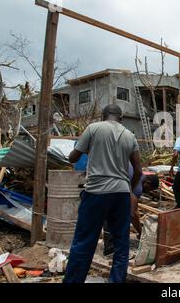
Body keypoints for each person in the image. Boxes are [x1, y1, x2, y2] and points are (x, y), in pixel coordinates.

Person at [63, 104, 142, 283]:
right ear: (121, 118)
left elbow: (73, 157)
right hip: (121, 193)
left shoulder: (93, 128)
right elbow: (138, 170)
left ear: (103, 116)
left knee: (84, 241)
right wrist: (129, 189)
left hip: (96, 192)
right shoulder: (130, 136)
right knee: (121, 245)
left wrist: (88, 149)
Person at [102, 168, 159, 256]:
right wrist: (140, 232)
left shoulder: (135, 173)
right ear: (147, 182)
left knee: (114, 212)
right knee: (112, 214)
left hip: (106, 181)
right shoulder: (138, 186)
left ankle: (113, 245)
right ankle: (110, 250)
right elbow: (133, 213)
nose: (147, 192)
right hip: (109, 187)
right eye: (149, 189)